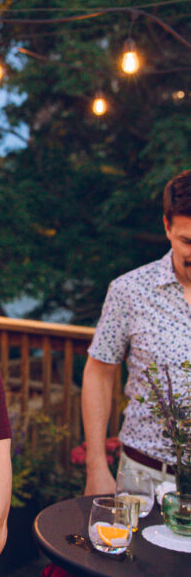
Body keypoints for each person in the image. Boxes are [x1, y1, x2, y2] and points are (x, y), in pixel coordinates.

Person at [82, 169, 191, 495]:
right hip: (145, 477)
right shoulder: (129, 291)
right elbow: (99, 375)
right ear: (167, 227)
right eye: (188, 241)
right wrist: (97, 467)